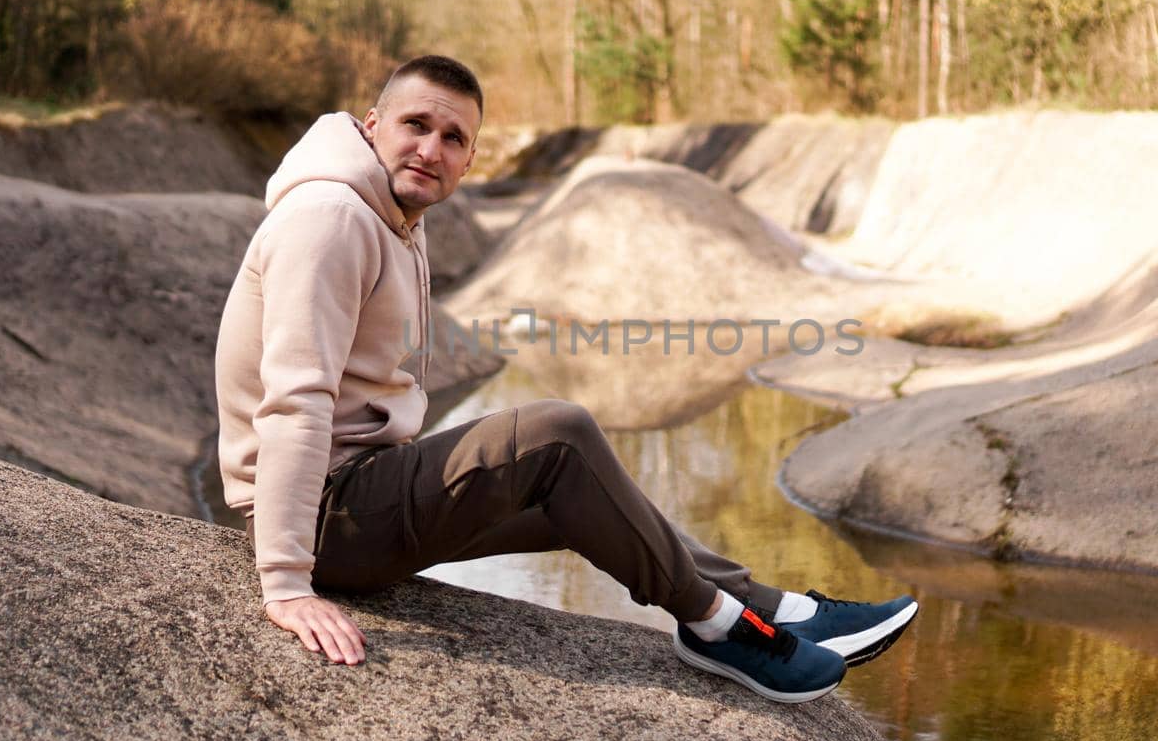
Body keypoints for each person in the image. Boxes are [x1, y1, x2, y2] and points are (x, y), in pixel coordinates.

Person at [214, 54, 917, 704]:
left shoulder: (394, 214)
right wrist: (285, 583)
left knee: (584, 496)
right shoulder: (334, 219)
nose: (431, 149)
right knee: (558, 432)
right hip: (326, 518)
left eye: (453, 137)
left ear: (471, 158)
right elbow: (295, 403)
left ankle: (774, 610)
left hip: (363, 489)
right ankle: (717, 627)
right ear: (373, 127)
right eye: (415, 125)